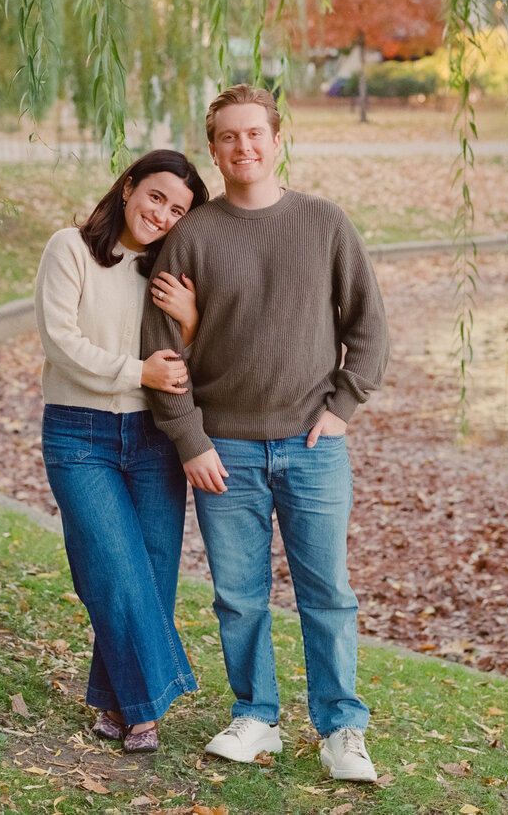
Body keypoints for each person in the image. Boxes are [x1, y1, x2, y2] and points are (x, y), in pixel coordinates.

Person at [142, 85, 389, 781]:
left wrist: (341, 406)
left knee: (329, 594)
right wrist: (190, 439)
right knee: (239, 594)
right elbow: (163, 355)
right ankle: (258, 715)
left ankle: (342, 726)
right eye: (227, 136)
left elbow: (369, 330)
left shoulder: (324, 224)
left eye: (255, 133)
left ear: (278, 139)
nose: (243, 147)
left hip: (313, 448)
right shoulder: (192, 235)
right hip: (227, 452)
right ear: (213, 146)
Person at [35, 150, 208, 753]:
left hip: (154, 439)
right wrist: (138, 372)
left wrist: (189, 325)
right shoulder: (70, 249)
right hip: (80, 436)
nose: (161, 214)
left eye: (178, 209)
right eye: (156, 196)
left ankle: (115, 700)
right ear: (129, 185)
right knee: (110, 570)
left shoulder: (172, 270)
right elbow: (62, 343)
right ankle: (147, 710)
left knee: (149, 576)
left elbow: (198, 363)